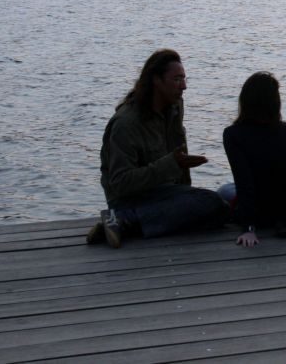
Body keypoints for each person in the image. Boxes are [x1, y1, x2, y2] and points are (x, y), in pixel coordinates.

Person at [92, 49, 228, 248]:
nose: (184, 86)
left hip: (163, 194)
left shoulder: (174, 107)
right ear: (156, 80)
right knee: (212, 204)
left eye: (184, 79)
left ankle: (129, 224)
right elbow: (119, 183)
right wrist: (171, 165)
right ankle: (123, 219)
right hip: (127, 200)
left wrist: (186, 192)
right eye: (177, 79)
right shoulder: (126, 123)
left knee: (219, 209)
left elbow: (178, 158)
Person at [219, 72, 286, 247]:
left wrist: (249, 227)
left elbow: (244, 182)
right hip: (285, 210)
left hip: (258, 212)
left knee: (223, 190)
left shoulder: (233, 135)